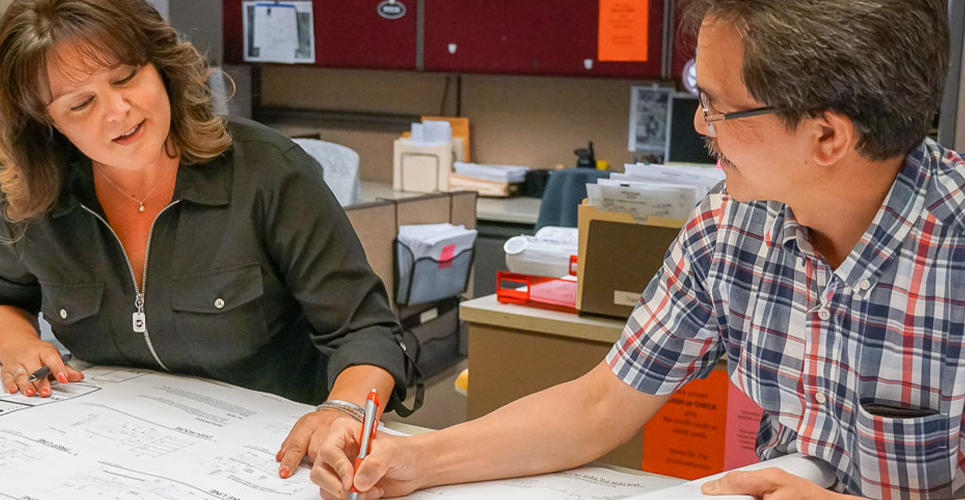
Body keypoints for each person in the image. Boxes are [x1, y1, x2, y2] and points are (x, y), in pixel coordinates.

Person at [311, 0, 958, 498]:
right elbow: (600, 405)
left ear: (827, 137)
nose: (701, 125)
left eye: (718, 107)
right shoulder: (732, 225)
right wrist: (416, 460)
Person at [0, 0, 415, 478]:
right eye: (81, 104)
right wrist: (19, 346)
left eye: (126, 77)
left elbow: (366, 332)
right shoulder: (36, 193)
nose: (118, 111)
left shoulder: (268, 173)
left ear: (161, 68)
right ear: (47, 123)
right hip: (109, 454)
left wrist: (346, 411)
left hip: (273, 459)